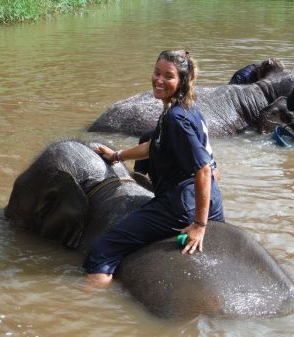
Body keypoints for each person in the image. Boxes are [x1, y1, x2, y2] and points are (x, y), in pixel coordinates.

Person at [83, 50, 225, 287]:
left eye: (168, 76)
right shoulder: (189, 110)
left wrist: (199, 225)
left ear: (181, 82)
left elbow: (203, 169)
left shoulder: (175, 118)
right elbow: (154, 145)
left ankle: (90, 307)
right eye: (156, 73)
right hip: (214, 202)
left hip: (180, 206)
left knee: (101, 251)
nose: (159, 80)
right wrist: (117, 156)